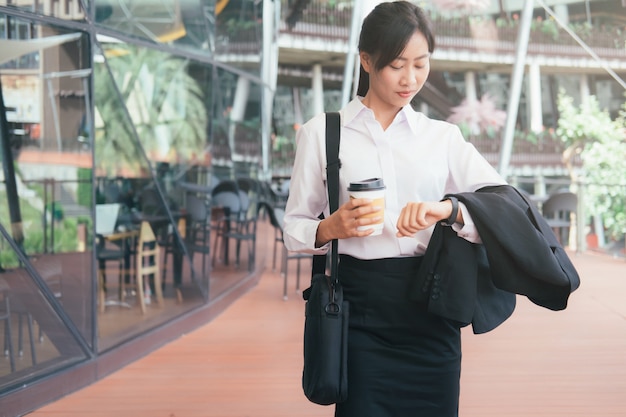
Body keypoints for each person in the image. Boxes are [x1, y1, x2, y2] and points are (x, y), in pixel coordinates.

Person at [283, 2, 578, 416]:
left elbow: (504, 203)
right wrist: (330, 227)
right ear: (366, 61)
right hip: (360, 312)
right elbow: (293, 225)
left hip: (432, 308)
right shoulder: (323, 134)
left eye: (421, 65)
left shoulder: (441, 138)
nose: (410, 79)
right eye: (397, 65)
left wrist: (450, 210)